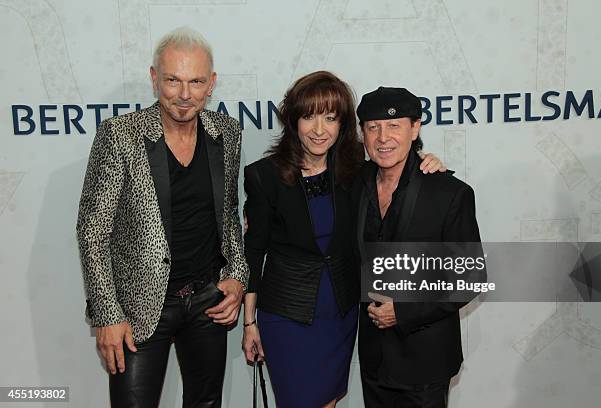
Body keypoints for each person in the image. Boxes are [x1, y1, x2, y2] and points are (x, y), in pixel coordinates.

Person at [241, 72, 445, 408]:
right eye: (309, 116)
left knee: (328, 401)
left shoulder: (355, 171)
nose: (319, 130)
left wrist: (426, 160)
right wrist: (249, 322)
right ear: (293, 120)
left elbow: (396, 165)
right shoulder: (265, 176)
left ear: (343, 124)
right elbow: (254, 251)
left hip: (341, 311)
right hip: (287, 314)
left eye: (330, 118)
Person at [76, 27, 247, 408]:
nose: (184, 94)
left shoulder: (228, 133)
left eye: (196, 81)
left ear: (211, 84)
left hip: (207, 301)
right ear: (154, 78)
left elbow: (229, 216)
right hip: (138, 307)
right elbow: (92, 233)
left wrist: (236, 275)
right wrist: (107, 314)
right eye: (172, 80)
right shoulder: (121, 135)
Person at [352, 87, 482, 408]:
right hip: (373, 357)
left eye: (394, 126)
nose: (383, 137)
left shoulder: (449, 192)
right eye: (373, 127)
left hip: (425, 359)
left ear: (415, 128)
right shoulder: (353, 183)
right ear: (362, 134)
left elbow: (469, 278)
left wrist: (403, 311)